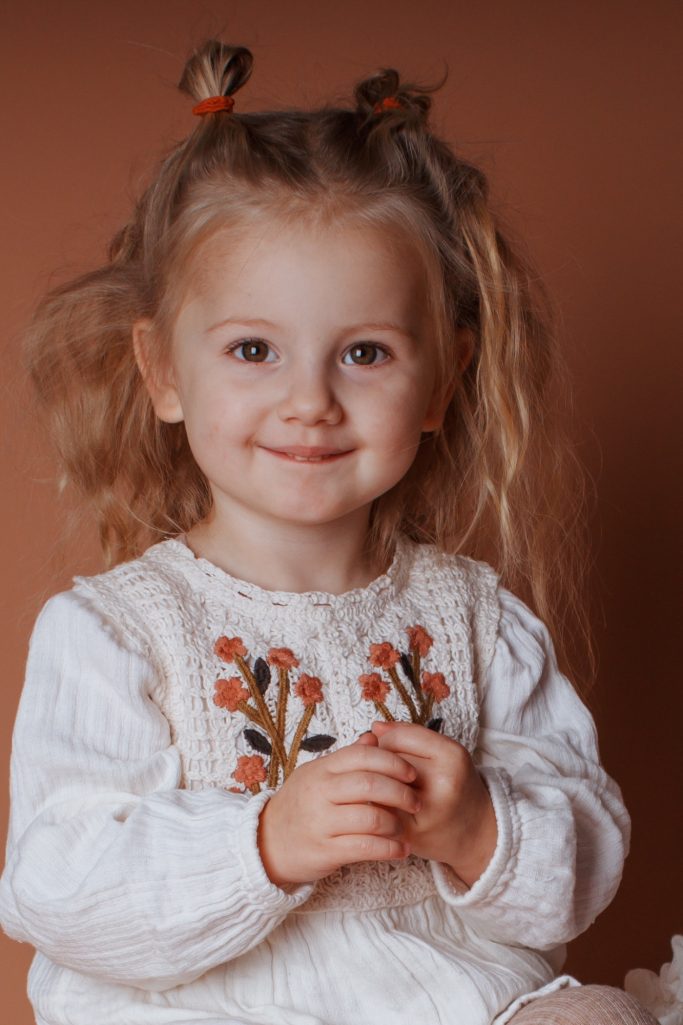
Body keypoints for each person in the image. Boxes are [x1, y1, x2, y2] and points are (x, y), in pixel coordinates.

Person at [0, 39, 659, 1025]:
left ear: (442, 378)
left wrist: (476, 824)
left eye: (363, 352)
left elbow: (582, 865)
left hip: (445, 1008)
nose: (308, 400)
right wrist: (265, 840)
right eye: (252, 349)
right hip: (210, 1012)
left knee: (596, 1016)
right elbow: (59, 887)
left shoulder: (477, 621)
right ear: (163, 371)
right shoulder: (118, 631)